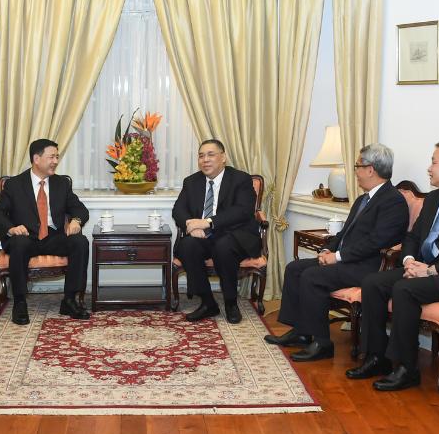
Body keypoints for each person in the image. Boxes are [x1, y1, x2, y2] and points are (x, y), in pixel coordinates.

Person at [348, 140, 439, 391]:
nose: (429, 168)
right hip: (422, 269)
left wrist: (431, 270)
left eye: (434, 162)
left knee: (404, 289)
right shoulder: (434, 198)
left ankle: (407, 368)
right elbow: (413, 237)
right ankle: (376, 356)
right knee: (373, 282)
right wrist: (408, 260)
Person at [268, 143, 408, 360]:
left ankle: (322, 343)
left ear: (370, 169)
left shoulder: (393, 201)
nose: (356, 172)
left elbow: (376, 242)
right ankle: (301, 332)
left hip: (369, 266)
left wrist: (338, 257)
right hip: (347, 261)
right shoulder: (363, 199)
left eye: (357, 166)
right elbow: (344, 234)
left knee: (312, 276)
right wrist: (327, 250)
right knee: (294, 268)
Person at [0, 138, 91, 325]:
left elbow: (80, 209)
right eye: (51, 157)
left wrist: (76, 221)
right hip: (26, 237)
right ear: (36, 159)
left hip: (53, 237)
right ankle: (20, 302)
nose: (55, 161)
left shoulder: (61, 183)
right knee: (19, 244)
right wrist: (12, 228)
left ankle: (69, 300)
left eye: (57, 157)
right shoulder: (15, 184)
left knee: (80, 241)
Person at [171, 139, 262, 325]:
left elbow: (242, 211)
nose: (205, 160)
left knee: (223, 246)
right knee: (187, 245)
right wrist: (191, 225)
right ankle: (208, 303)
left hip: (235, 235)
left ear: (223, 157)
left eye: (210, 155)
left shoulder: (241, 179)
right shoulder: (191, 182)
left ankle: (231, 303)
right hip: (203, 236)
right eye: (201, 156)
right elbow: (178, 210)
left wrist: (207, 223)